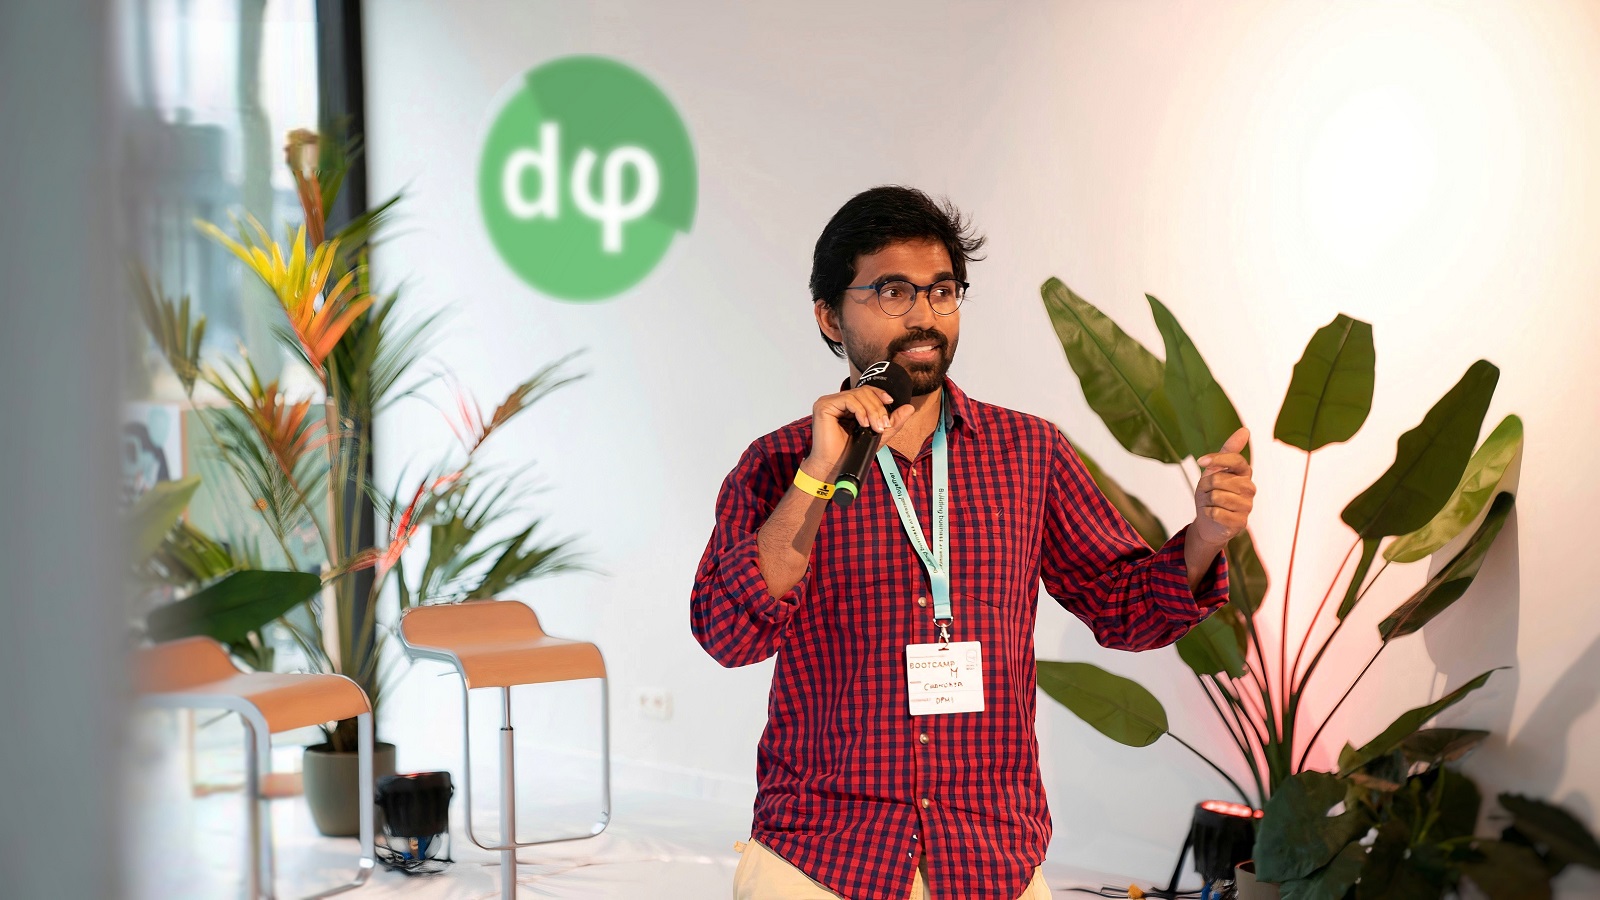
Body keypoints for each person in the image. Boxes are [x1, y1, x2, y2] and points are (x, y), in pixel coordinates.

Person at [691, 186, 1256, 900]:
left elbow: (1125, 609)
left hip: (989, 852)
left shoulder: (1030, 452)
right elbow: (728, 637)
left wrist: (1205, 535)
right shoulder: (777, 464)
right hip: (822, 854)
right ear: (829, 315)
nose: (924, 315)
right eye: (892, 290)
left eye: (942, 290)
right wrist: (816, 474)